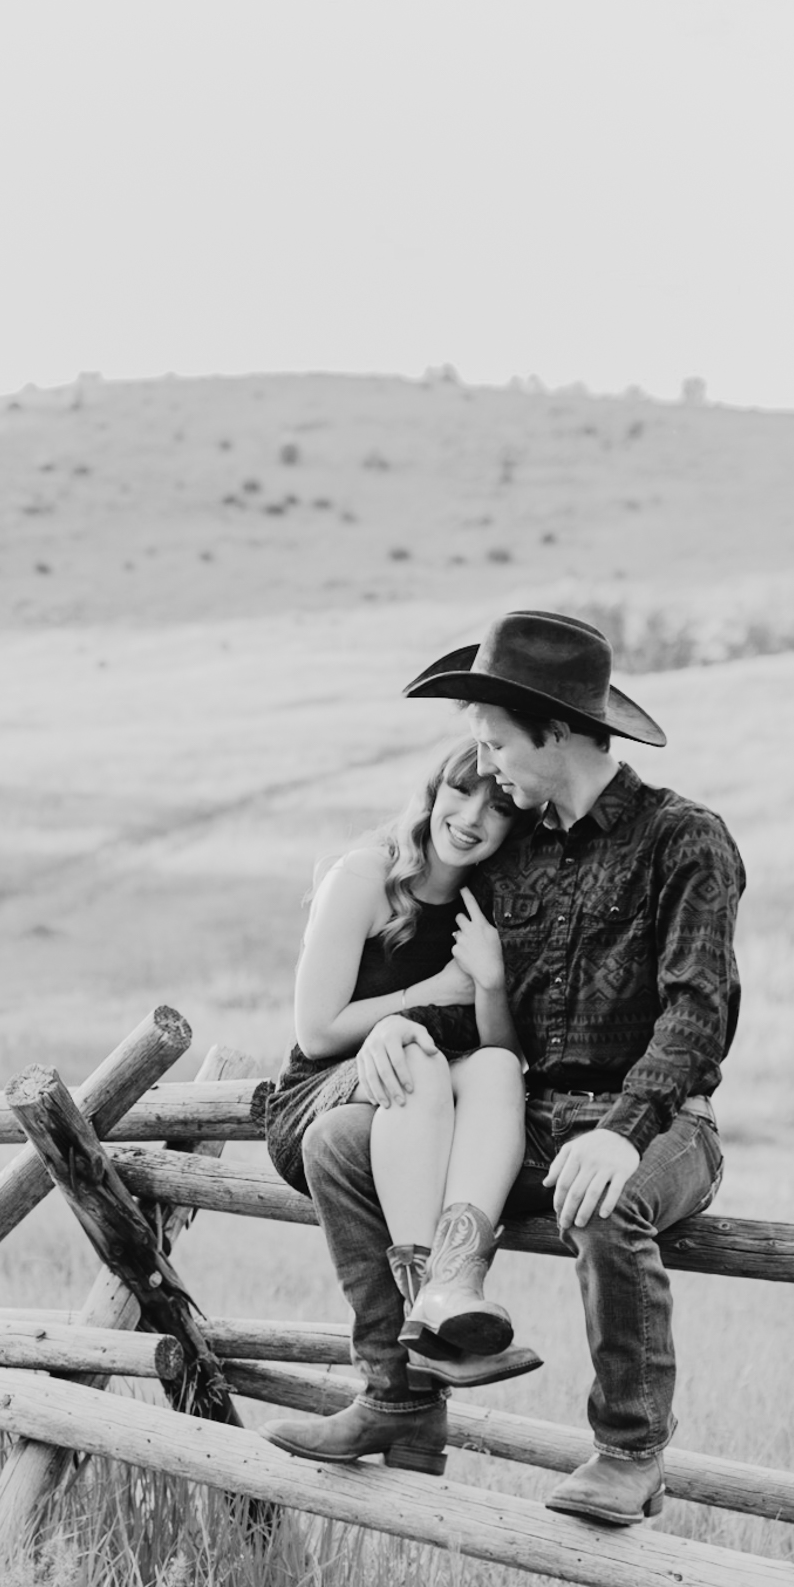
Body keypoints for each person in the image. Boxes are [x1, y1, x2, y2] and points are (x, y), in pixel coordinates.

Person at [265, 610, 744, 1527]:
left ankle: (629, 1450)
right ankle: (400, 1395)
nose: (491, 769)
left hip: (659, 1120)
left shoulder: (683, 841)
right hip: (525, 1114)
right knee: (339, 1140)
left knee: (607, 1195)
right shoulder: (513, 852)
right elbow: (476, 995)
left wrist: (621, 1131)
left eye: (498, 745)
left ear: (555, 732)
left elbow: (698, 1013)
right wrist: (389, 1032)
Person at [260, 742, 541, 1454]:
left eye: (500, 805)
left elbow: (498, 1048)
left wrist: (489, 983)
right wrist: (409, 1009)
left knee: (497, 1070)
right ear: (432, 790)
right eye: (461, 791)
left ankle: (451, 1287)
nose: (473, 816)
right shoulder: (366, 876)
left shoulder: (491, 903)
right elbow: (316, 1029)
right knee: (418, 1054)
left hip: (426, 1100)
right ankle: (429, 1310)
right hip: (323, 1091)